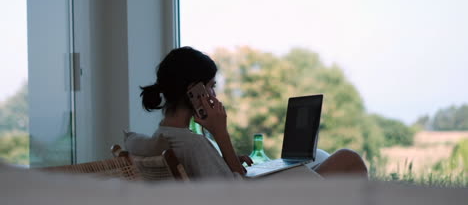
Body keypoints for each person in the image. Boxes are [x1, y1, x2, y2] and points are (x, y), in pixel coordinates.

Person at [140, 46, 367, 179]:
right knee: (349, 158)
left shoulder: (166, 136)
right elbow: (239, 196)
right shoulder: (193, 144)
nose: (214, 96)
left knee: (318, 155)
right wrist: (221, 134)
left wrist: (226, 159)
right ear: (194, 91)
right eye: (211, 86)